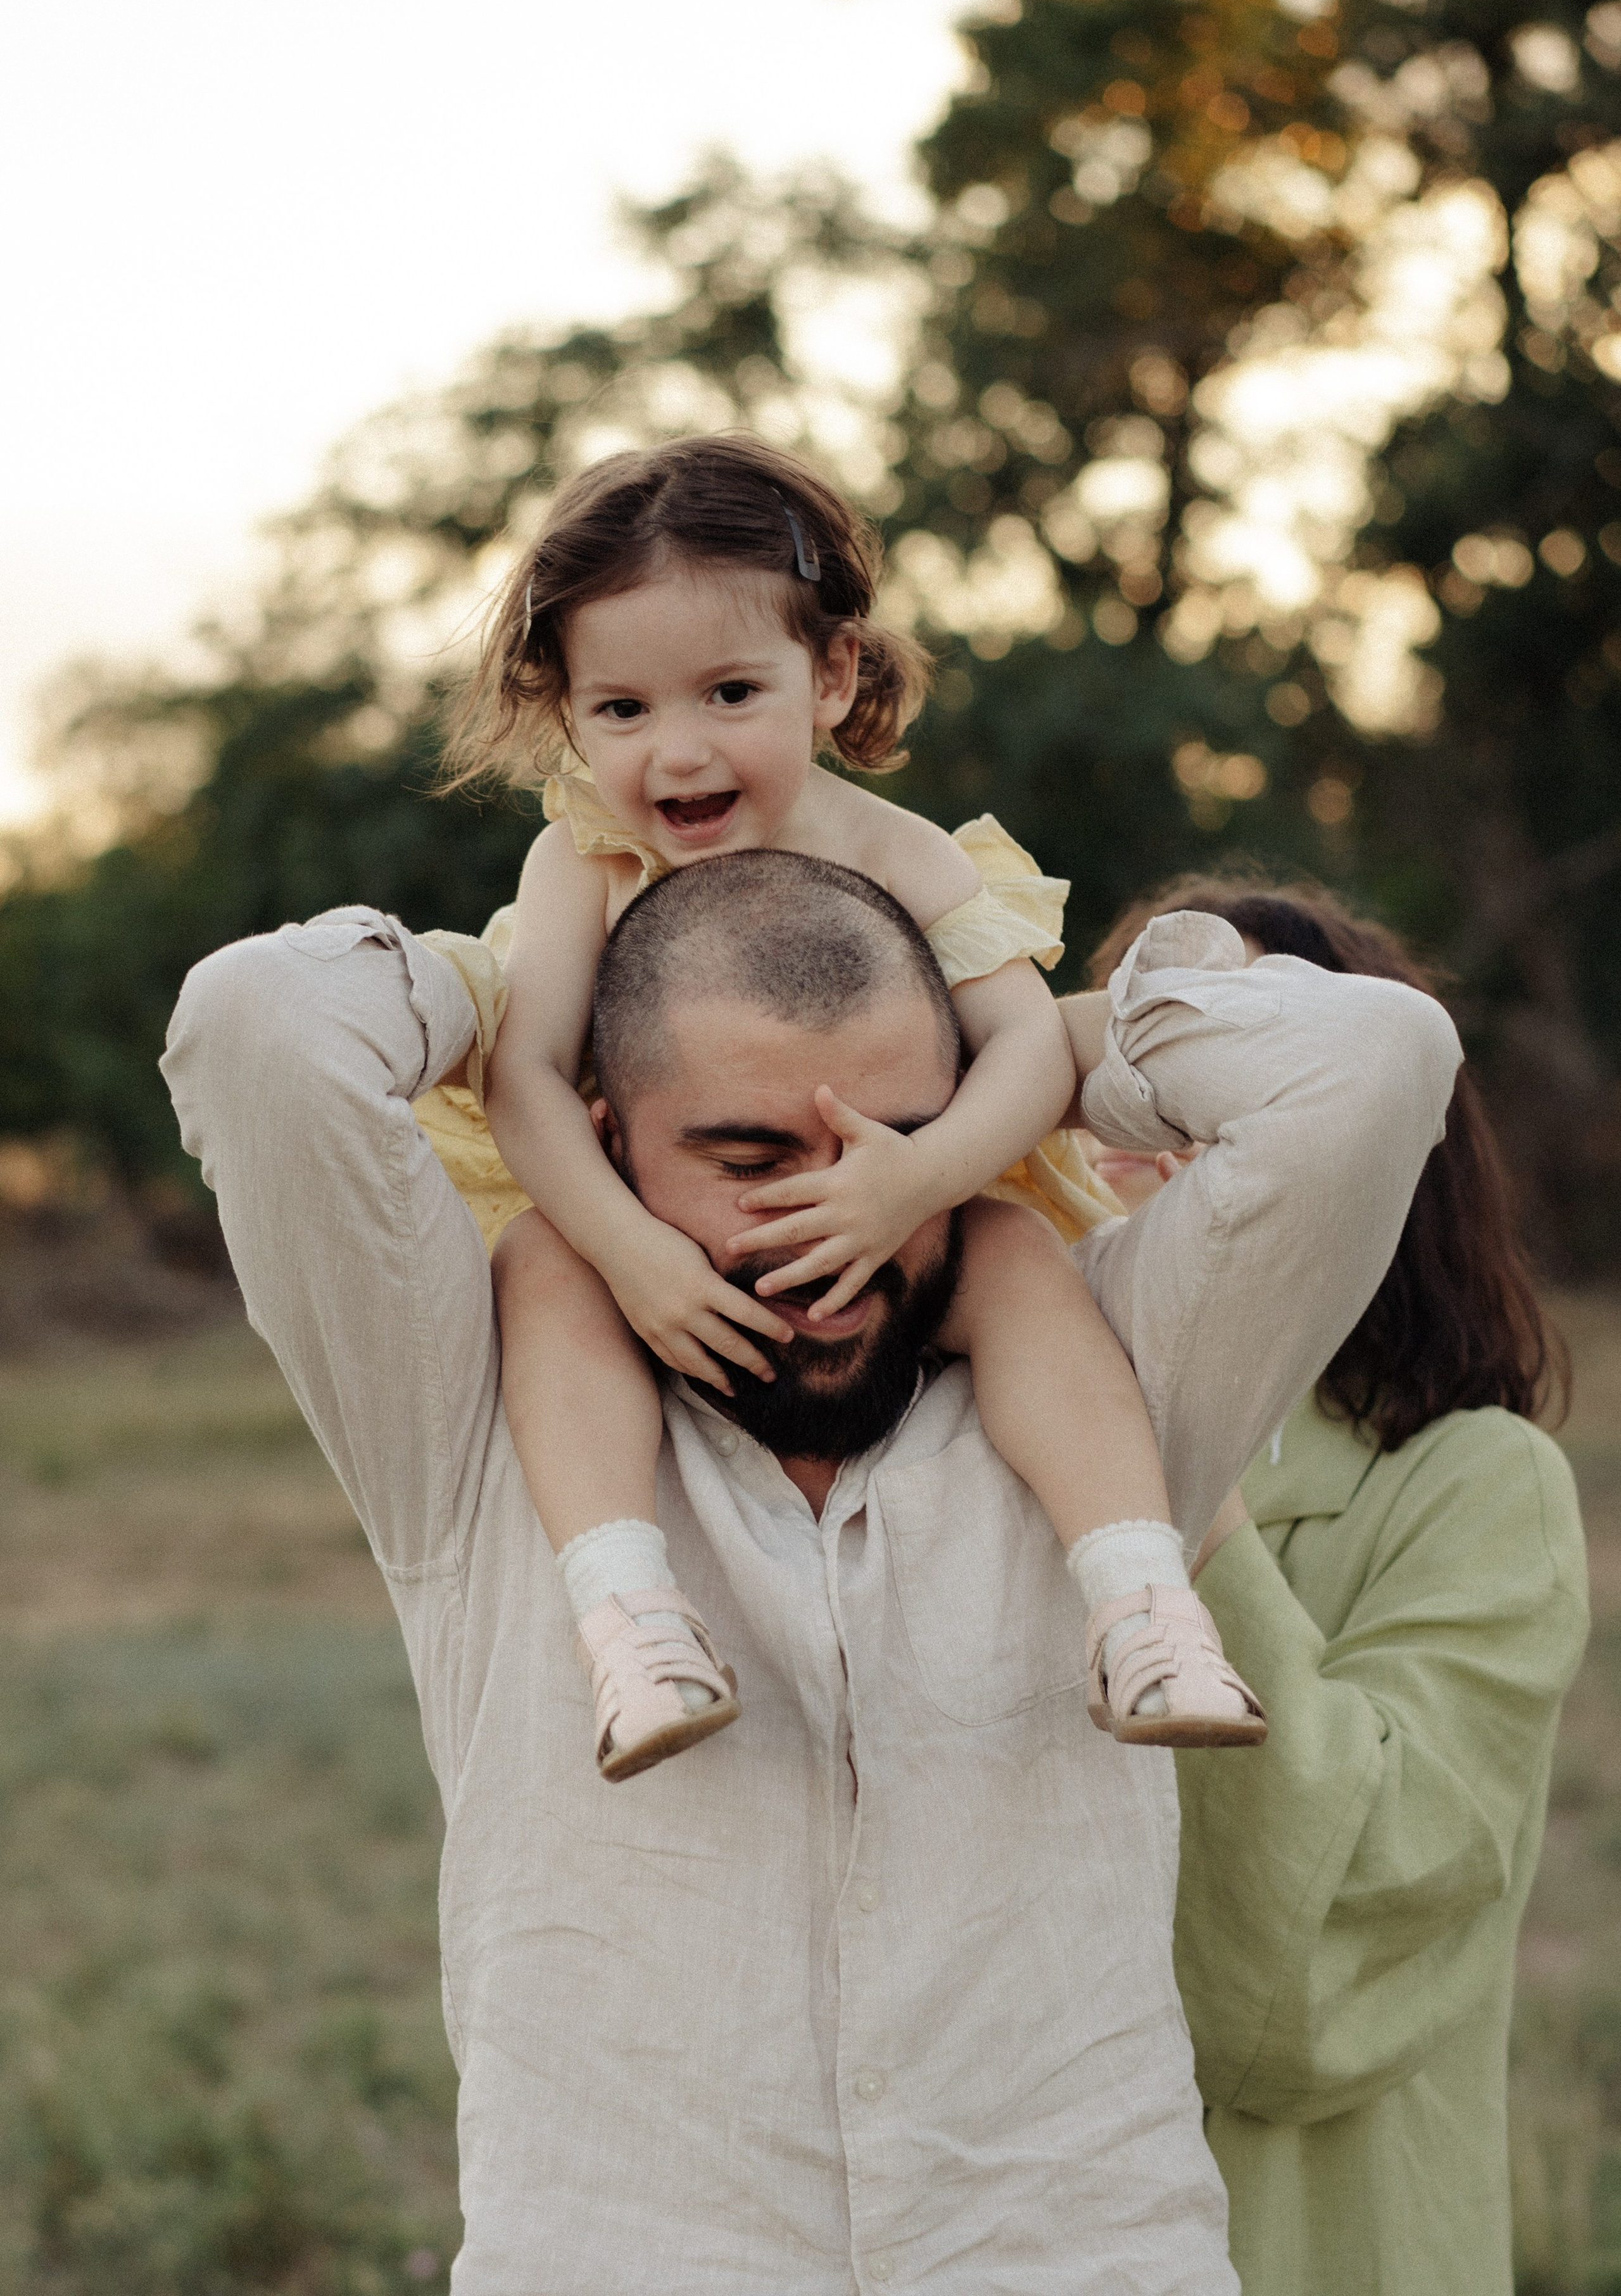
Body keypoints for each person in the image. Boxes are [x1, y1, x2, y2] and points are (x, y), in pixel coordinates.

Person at [161, 851, 1459, 2291]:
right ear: (606, 1141)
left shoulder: (1123, 1373)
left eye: (887, 1142)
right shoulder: (462, 1406)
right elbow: (259, 1028)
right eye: (748, 1159)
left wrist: (1025, 1065)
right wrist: (521, 1032)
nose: (830, 1222)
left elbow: (1376, 1057)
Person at [417, 430, 1259, 1778]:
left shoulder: (894, 852)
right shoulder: (581, 857)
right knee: (541, 1264)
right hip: (649, 1217)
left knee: (1017, 1262)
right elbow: (524, 1073)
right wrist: (631, 1255)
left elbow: (1026, 1050)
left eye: (729, 692)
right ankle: (631, 1622)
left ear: (831, 674)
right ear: (565, 710)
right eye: (621, 709)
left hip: (901, 1206)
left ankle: (1138, 1604)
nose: (676, 753)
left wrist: (918, 1181)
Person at [1085, 879, 1590, 2296]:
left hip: (1305, 2247)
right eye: (1128, 1058)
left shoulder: (1477, 1485)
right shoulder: (966, 1439)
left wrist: (1176, 1478)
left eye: (1224, 1064)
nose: (1146, 1119)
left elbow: (1320, 1976)